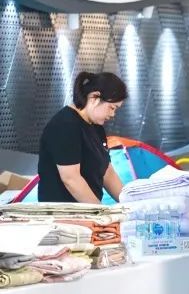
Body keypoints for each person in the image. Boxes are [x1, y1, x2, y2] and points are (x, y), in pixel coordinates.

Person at [37, 72, 127, 204]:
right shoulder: (65, 125)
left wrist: (129, 203)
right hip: (63, 212)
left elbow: (107, 171)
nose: (113, 114)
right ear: (94, 97)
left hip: (88, 211)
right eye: (111, 108)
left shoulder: (96, 127)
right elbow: (71, 179)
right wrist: (101, 211)